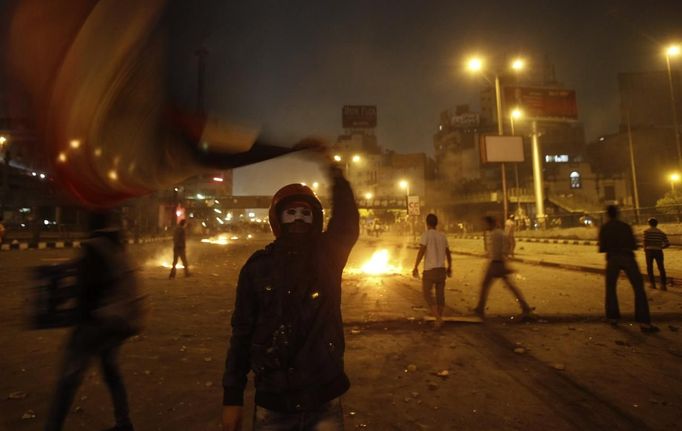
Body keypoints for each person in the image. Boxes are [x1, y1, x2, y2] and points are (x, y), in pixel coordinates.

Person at [221, 154, 359, 431]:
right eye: (291, 212)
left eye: (306, 213)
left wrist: (334, 171)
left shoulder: (328, 258)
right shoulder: (257, 268)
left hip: (324, 403)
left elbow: (346, 222)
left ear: (315, 219)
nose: (298, 218)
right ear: (278, 219)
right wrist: (232, 397)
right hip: (274, 407)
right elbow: (242, 334)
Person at [45, 211, 143, 431]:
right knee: (110, 370)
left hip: (102, 320)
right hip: (124, 319)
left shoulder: (93, 247)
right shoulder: (116, 245)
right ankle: (124, 422)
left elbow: (87, 291)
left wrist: (77, 325)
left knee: (68, 378)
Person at [598, 205, 658, 333]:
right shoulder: (625, 226)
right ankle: (644, 322)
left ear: (607, 214)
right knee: (638, 289)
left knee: (611, 288)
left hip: (613, 258)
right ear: (618, 213)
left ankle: (613, 317)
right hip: (628, 257)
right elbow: (634, 245)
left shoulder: (604, 228)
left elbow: (602, 248)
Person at [473, 216, 533, 320]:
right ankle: (525, 306)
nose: (484, 226)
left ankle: (480, 308)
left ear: (490, 224)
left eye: (486, 224)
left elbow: (496, 249)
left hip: (495, 264)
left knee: (485, 286)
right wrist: (506, 255)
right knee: (510, 286)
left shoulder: (494, 234)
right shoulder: (501, 233)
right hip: (499, 263)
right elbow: (508, 244)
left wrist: (499, 256)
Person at [412, 213, 452, 328]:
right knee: (440, 296)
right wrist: (449, 267)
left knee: (426, 293)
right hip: (441, 270)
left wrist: (415, 266)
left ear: (427, 223)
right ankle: (438, 320)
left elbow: (421, 251)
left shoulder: (426, 235)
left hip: (430, 270)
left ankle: (438, 319)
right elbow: (448, 253)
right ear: (436, 223)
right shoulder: (442, 235)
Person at [643, 217, 670, 291]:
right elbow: (667, 243)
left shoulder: (646, 231)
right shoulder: (661, 233)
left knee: (649, 267)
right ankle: (663, 285)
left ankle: (652, 284)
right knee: (661, 267)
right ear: (657, 224)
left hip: (649, 251)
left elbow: (645, 242)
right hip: (658, 251)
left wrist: (645, 249)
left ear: (649, 224)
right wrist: (661, 247)